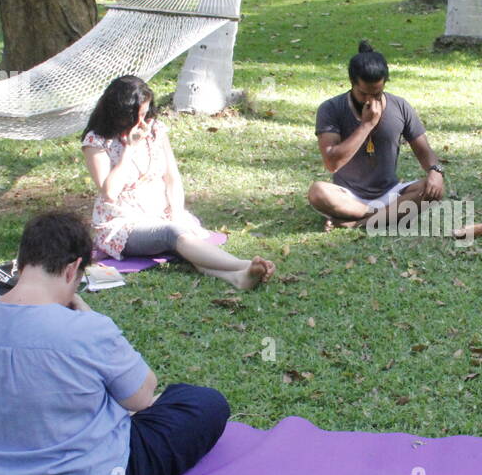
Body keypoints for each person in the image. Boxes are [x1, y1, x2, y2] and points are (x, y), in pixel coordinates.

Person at [0, 212, 231, 475]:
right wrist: (87, 316)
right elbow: (142, 398)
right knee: (204, 403)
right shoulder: (86, 329)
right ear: (72, 269)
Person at [80, 75, 273, 289]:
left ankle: (237, 278)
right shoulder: (96, 140)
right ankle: (242, 265)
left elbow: (172, 177)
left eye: (145, 114)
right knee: (173, 234)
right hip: (123, 224)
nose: (142, 123)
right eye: (135, 117)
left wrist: (177, 210)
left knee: (182, 237)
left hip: (160, 213)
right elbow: (109, 193)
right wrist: (130, 150)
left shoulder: (156, 131)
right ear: (118, 115)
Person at [307, 41, 446, 229]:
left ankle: (358, 222)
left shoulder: (400, 106)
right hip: (348, 196)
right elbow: (332, 163)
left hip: (390, 193)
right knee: (317, 192)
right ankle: (381, 217)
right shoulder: (331, 108)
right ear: (352, 83)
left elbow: (424, 152)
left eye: (377, 92)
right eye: (363, 94)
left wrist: (435, 171)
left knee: (433, 189)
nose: (370, 100)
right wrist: (366, 125)